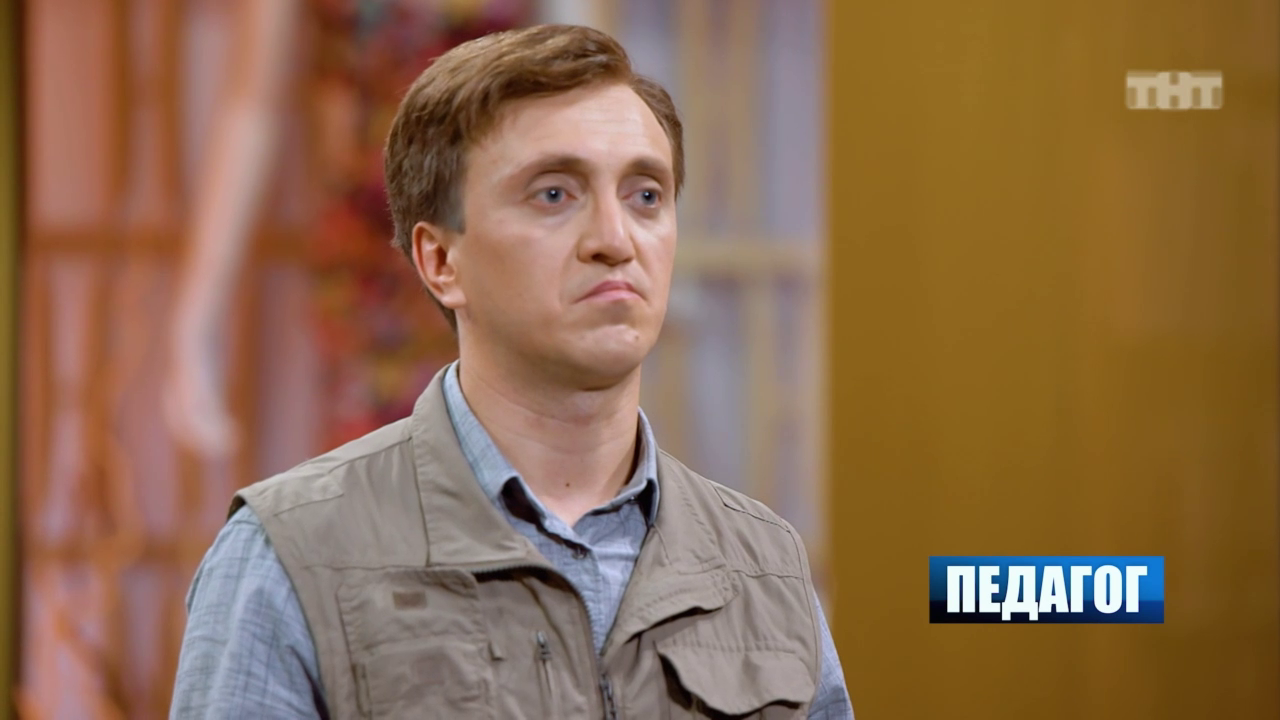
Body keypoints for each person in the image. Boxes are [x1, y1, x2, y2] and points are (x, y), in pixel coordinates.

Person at [170, 23, 854, 719]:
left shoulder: (762, 564)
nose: (615, 240)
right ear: (440, 261)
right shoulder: (293, 554)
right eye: (554, 195)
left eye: (646, 196)